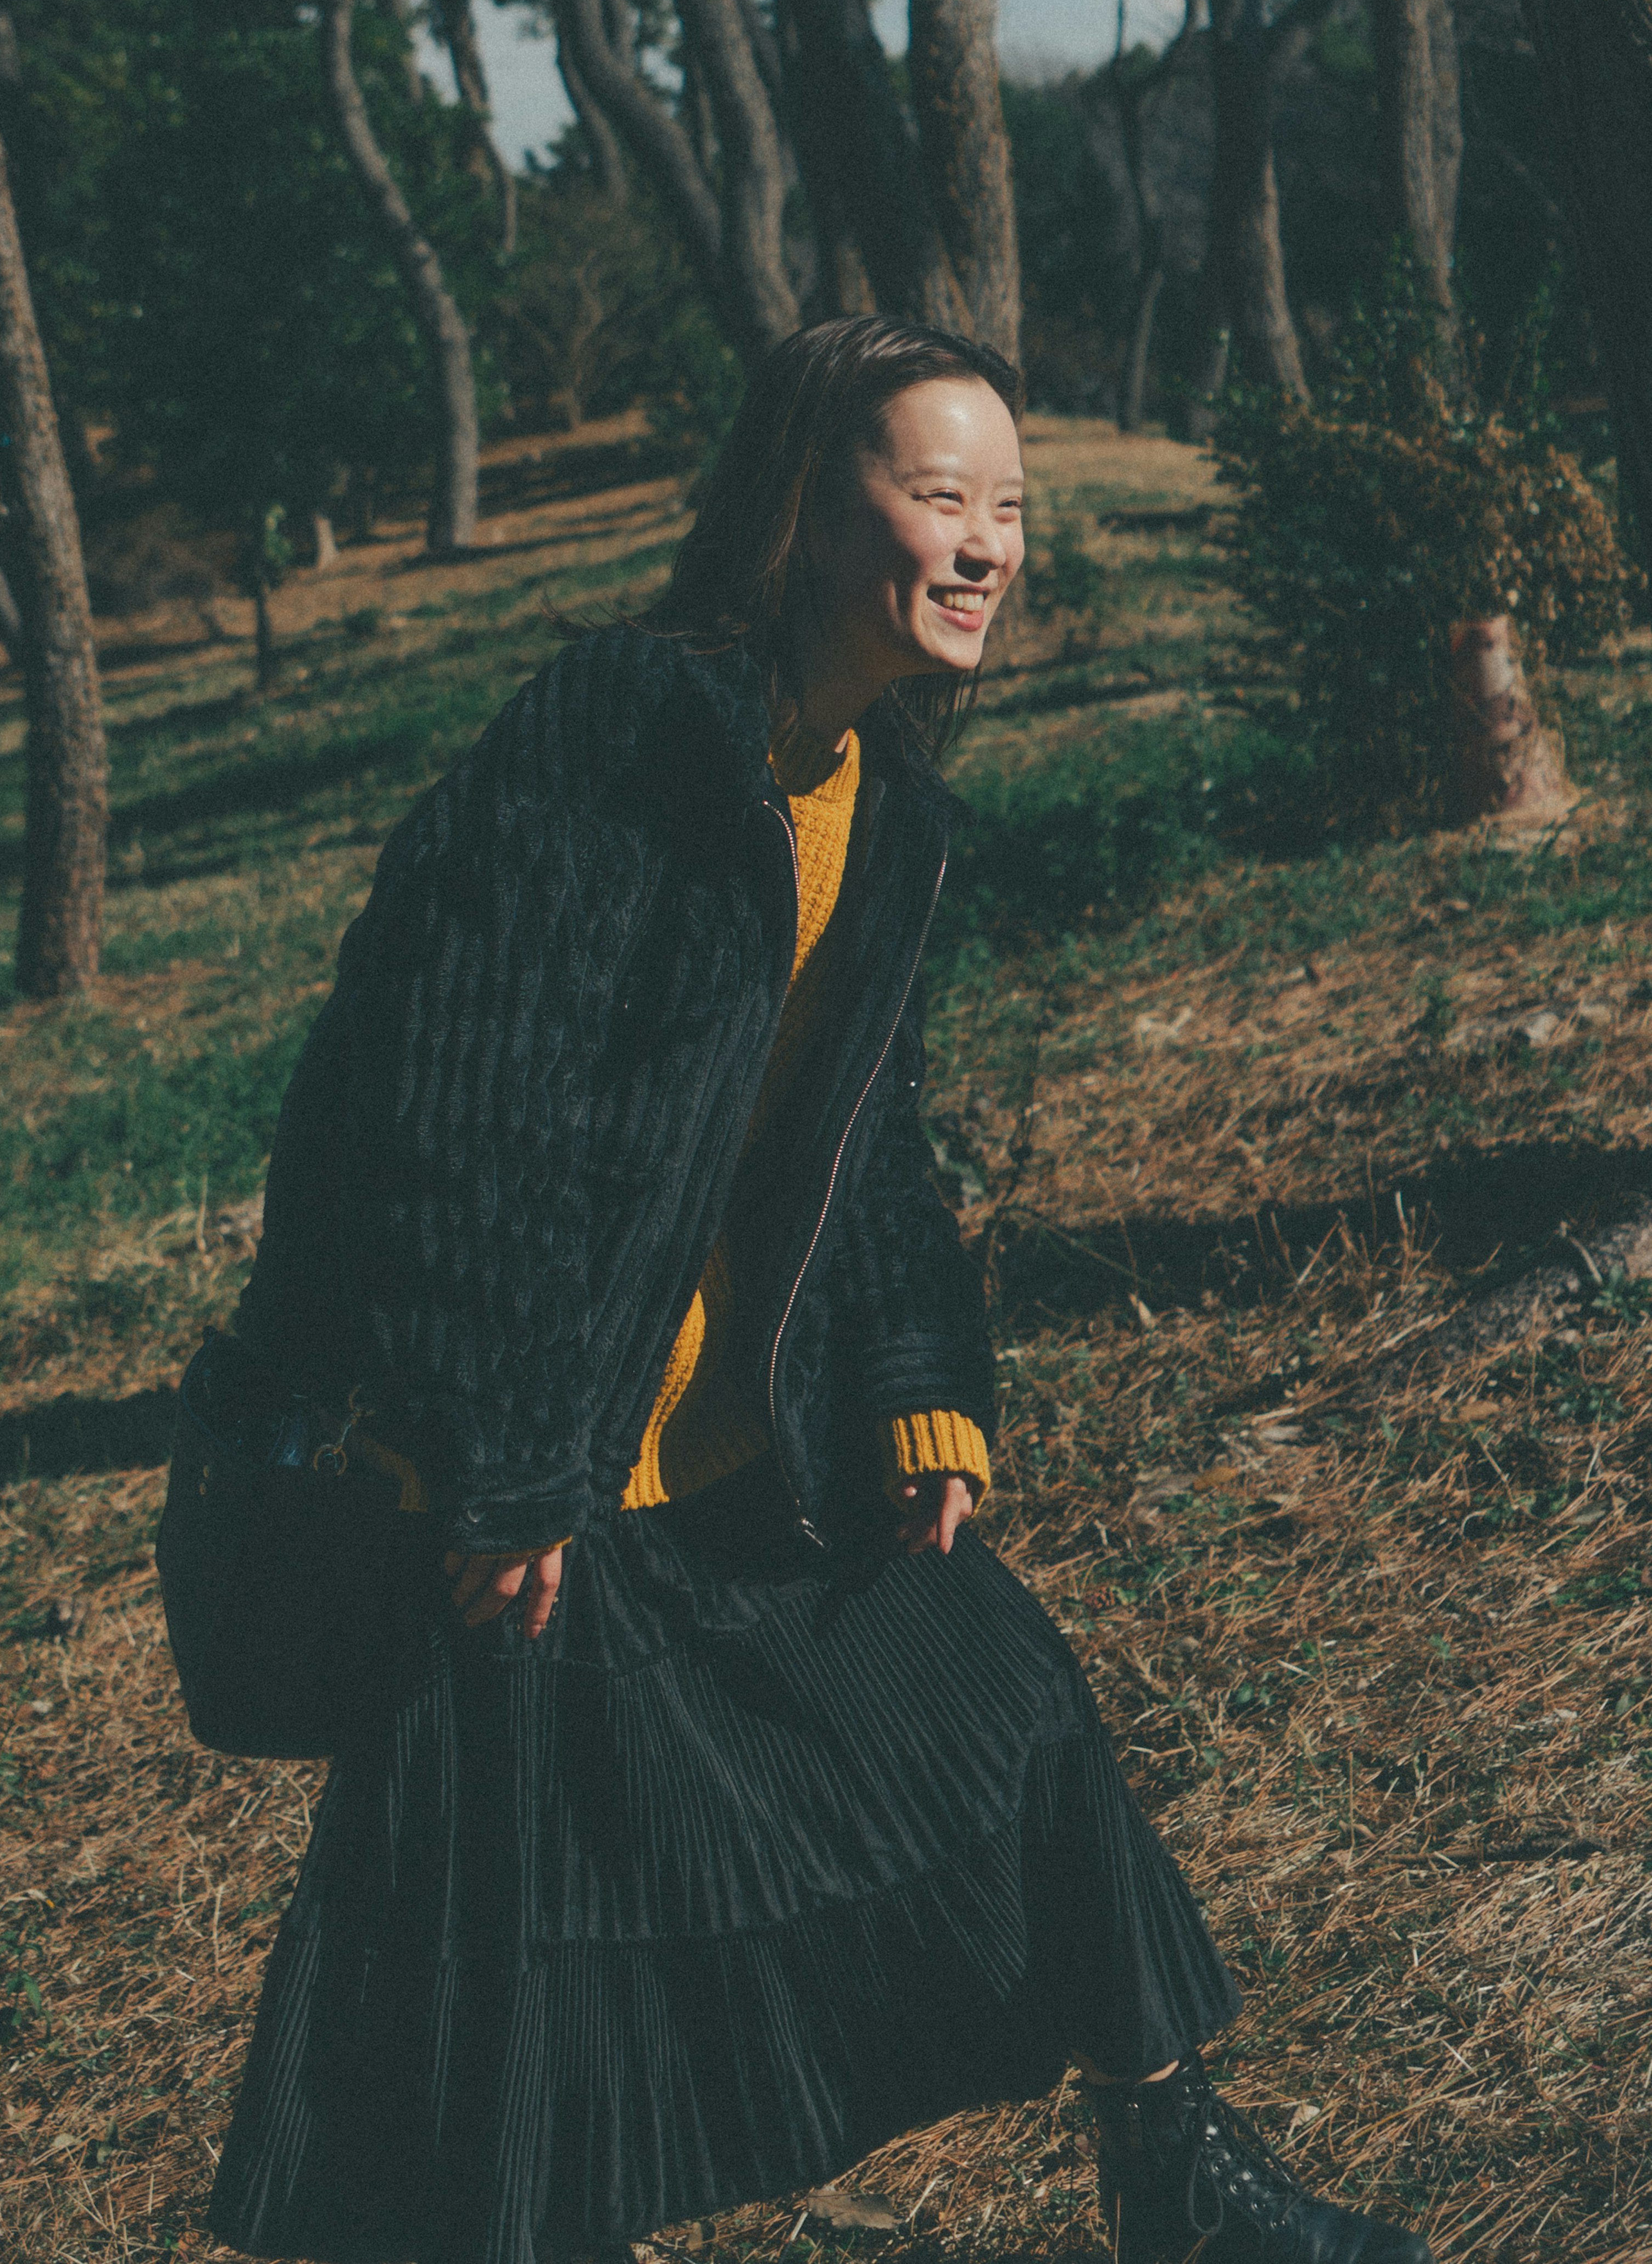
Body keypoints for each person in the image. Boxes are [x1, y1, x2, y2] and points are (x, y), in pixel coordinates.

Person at [208, 318, 1432, 2264]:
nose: (984, 546)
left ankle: (1173, 2175)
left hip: (726, 1469)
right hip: (509, 1492)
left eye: (1009, 508)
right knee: (501, 1986)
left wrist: (919, 1388)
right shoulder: (619, 730)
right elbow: (453, 1110)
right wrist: (504, 1458)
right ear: (800, 504)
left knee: (1003, 1707)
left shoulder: (886, 810)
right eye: (937, 496)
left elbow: (868, 1151)